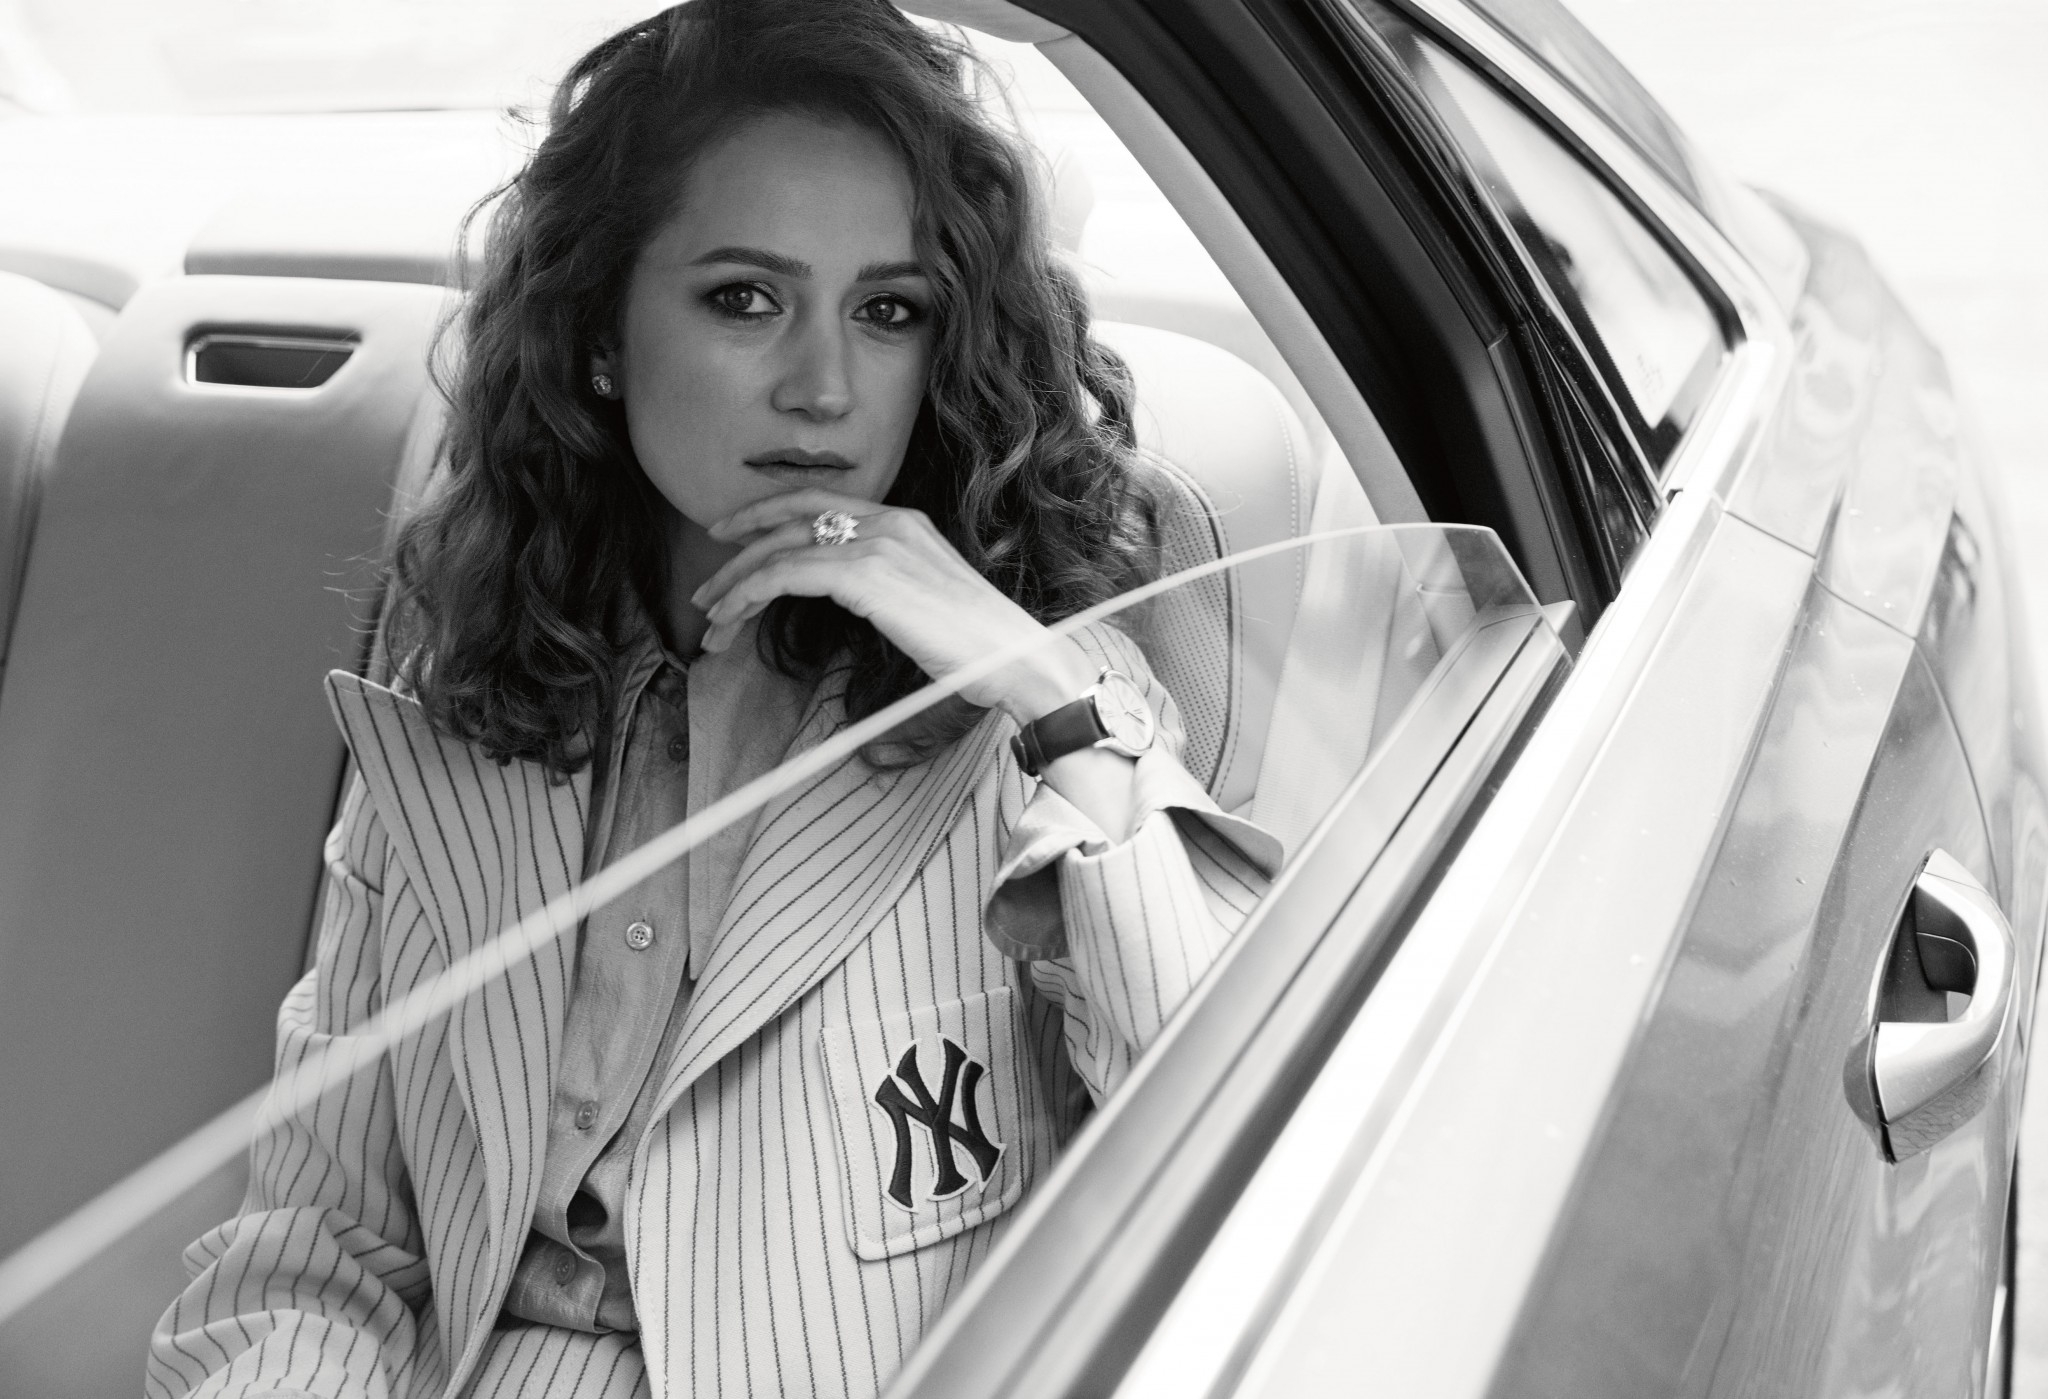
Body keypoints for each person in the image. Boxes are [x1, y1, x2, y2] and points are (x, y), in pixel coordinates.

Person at [147, 2, 1275, 1395]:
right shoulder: (458, 713)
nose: (823, 389)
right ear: (602, 333)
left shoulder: (1052, 719)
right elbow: (314, 1256)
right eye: (745, 298)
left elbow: (1247, 1146)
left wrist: (1042, 686)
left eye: (889, 311)